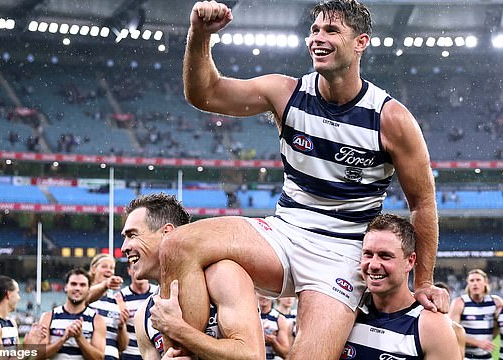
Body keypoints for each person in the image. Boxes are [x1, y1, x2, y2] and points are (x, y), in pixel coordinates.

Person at [158, 0, 446, 358]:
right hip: (284, 232)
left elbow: (422, 203)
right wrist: (200, 34)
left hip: (342, 253)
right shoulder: (287, 93)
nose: (317, 39)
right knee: (176, 245)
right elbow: (204, 94)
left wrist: (425, 281)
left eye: (331, 30)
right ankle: (181, 352)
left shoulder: (391, 119)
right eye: (314, 30)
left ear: (361, 42)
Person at [120, 193, 264, 360]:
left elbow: (251, 355)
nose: (124, 247)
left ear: (167, 234)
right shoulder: (145, 315)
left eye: (132, 235)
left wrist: (178, 329)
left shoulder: (222, 276)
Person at [342, 214, 460, 359]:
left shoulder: (431, 327)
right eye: (368, 254)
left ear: (410, 261)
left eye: (385, 256)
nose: (373, 265)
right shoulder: (346, 308)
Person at [38, 268, 107, 360]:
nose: (77, 288)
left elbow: (99, 358)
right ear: (66, 287)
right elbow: (39, 355)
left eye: (82, 285)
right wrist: (64, 339)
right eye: (73, 284)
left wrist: (79, 338)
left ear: (88, 289)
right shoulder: (48, 317)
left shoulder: (97, 320)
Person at [448, 269, 503, 360]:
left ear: (485, 282)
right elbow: (452, 333)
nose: (475, 283)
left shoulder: (496, 302)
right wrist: (477, 343)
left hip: (487, 356)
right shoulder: (459, 302)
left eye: (478, 280)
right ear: (468, 283)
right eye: (472, 280)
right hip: (466, 356)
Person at [88, 254, 129, 360]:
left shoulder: (118, 302)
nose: (109, 270)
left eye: (112, 268)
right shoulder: (82, 294)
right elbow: (85, 297)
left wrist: (121, 326)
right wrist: (105, 285)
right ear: (93, 269)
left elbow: (123, 346)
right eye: (104, 266)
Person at [119, 263, 158, 360]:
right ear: (129, 271)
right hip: (130, 354)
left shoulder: (157, 293)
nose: (139, 271)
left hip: (155, 353)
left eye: (142, 266)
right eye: (135, 267)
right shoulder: (121, 297)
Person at [435, 282, 466, 359]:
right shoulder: (416, 326)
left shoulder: (457, 330)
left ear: (448, 300)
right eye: (436, 297)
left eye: (443, 298)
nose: (439, 302)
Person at [258, 295, 290, 359]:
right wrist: (258, 334)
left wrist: (273, 342)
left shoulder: (279, 318)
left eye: (266, 293)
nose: (264, 296)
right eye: (260, 292)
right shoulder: (250, 317)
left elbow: (285, 353)